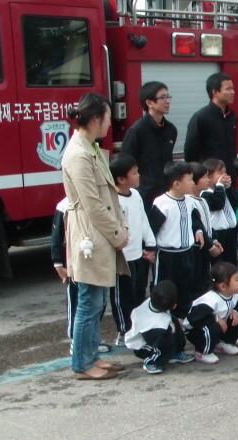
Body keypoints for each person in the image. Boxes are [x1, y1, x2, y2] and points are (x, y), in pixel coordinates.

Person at [61, 92, 130, 381]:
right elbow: (92, 204)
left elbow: (108, 197)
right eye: (107, 117)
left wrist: (120, 228)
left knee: (97, 302)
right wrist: (117, 234)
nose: (110, 122)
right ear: (94, 119)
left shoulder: (90, 148)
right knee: (88, 303)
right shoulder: (78, 154)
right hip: (91, 235)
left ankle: (92, 357)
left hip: (100, 234)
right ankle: (82, 364)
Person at [51, 198, 113, 353]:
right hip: (77, 264)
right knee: (78, 303)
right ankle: (76, 342)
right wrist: (58, 264)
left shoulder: (97, 200)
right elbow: (57, 236)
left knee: (99, 302)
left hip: (97, 262)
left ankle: (93, 340)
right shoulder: (65, 205)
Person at [149, 161, 209, 319]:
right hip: (167, 255)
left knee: (185, 287)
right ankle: (161, 318)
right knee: (165, 288)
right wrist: (149, 249)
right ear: (176, 184)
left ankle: (181, 318)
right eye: (189, 179)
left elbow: (194, 219)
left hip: (187, 253)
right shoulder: (162, 203)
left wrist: (198, 231)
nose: (193, 182)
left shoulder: (189, 201)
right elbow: (152, 228)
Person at [108, 153, 157, 347]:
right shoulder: (113, 200)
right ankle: (124, 330)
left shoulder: (135, 195)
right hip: (123, 259)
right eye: (134, 173)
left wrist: (150, 245)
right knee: (122, 298)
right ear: (121, 179)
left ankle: (136, 328)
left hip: (138, 255)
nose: (139, 176)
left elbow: (143, 221)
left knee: (138, 294)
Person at [120, 81, 177, 212]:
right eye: (162, 97)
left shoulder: (170, 129)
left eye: (168, 96)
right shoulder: (137, 130)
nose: (167, 101)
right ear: (149, 103)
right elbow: (125, 162)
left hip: (167, 192)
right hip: (145, 193)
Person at [184, 262, 238, 363]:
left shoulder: (233, 294)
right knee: (213, 327)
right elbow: (193, 319)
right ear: (223, 286)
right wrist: (216, 319)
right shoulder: (210, 300)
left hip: (217, 326)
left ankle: (221, 343)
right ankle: (201, 352)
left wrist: (236, 310)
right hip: (196, 331)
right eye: (236, 280)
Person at [125, 280, 196, 374]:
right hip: (143, 346)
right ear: (174, 306)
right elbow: (154, 340)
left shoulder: (154, 301)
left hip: (156, 329)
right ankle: (151, 361)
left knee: (175, 323)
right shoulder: (158, 325)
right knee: (167, 341)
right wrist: (171, 329)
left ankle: (175, 353)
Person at [184, 73, 238, 184]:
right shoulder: (201, 117)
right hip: (209, 178)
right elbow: (190, 151)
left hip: (229, 176)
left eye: (232, 88)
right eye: (228, 89)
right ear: (215, 92)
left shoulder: (232, 117)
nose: (233, 92)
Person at [189, 162, 222, 295]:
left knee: (206, 278)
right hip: (196, 248)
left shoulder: (202, 200)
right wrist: (210, 246)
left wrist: (214, 240)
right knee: (197, 281)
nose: (208, 180)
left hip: (206, 246)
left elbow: (208, 224)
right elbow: (198, 226)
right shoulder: (189, 202)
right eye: (204, 177)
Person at [200, 158, 238, 266]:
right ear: (209, 176)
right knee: (219, 264)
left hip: (230, 232)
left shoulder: (222, 190)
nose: (224, 175)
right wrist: (220, 186)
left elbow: (236, 201)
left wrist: (229, 187)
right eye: (220, 173)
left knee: (231, 262)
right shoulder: (205, 193)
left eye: (225, 172)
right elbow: (218, 204)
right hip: (217, 233)